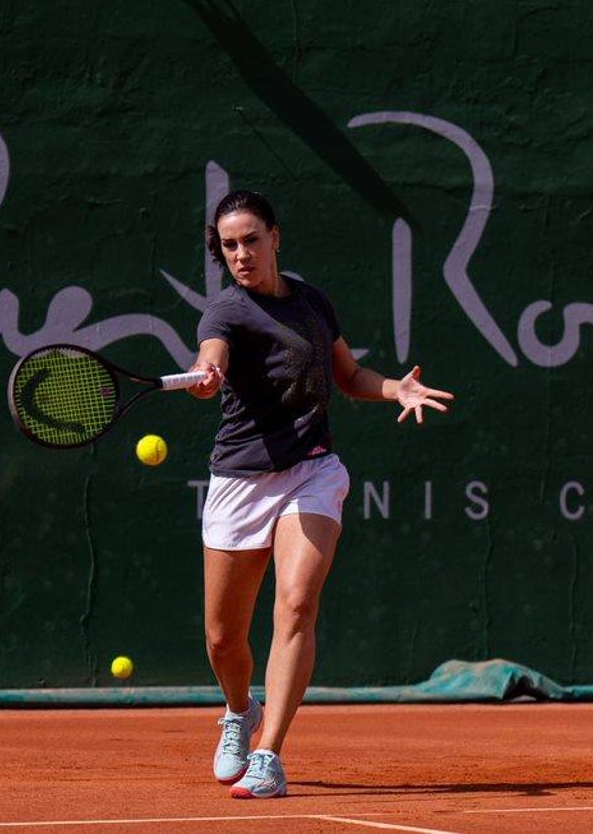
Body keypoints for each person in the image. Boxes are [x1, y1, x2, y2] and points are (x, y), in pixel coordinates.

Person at [185, 190, 454, 799]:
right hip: (239, 481)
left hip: (312, 471)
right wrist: (209, 374)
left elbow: (351, 377)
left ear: (276, 237)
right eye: (229, 245)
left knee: (297, 606)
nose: (241, 254)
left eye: (252, 239)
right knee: (223, 640)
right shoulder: (222, 313)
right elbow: (213, 355)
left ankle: (269, 754)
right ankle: (238, 711)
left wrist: (395, 391)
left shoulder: (312, 302)